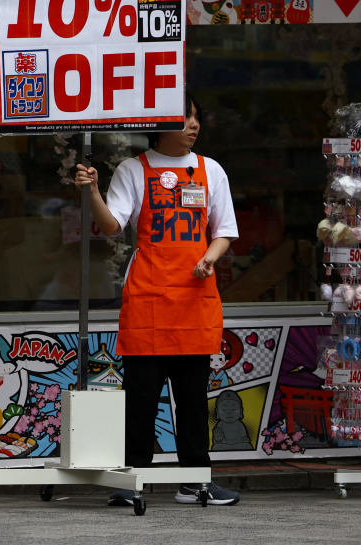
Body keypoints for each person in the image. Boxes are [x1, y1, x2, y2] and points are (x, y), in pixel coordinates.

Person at [74, 92, 240, 506]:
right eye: (185, 118)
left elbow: (223, 231)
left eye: (196, 117)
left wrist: (209, 258)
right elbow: (112, 226)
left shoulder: (211, 169)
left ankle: (196, 482)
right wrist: (92, 192)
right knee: (141, 400)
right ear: (159, 122)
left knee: (192, 400)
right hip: (148, 298)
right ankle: (132, 482)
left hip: (194, 298)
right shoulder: (133, 169)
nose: (193, 125)